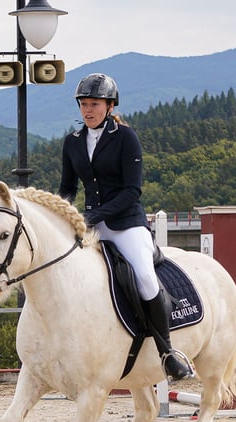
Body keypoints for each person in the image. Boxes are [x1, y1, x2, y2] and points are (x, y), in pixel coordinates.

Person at [58, 73, 195, 383]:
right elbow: (66, 189)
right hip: (92, 226)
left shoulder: (125, 138)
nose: (87, 110)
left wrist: (95, 216)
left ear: (109, 106)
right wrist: (61, 216)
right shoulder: (73, 142)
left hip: (126, 224)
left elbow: (132, 191)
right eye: (83, 104)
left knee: (145, 277)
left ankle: (167, 352)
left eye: (94, 104)